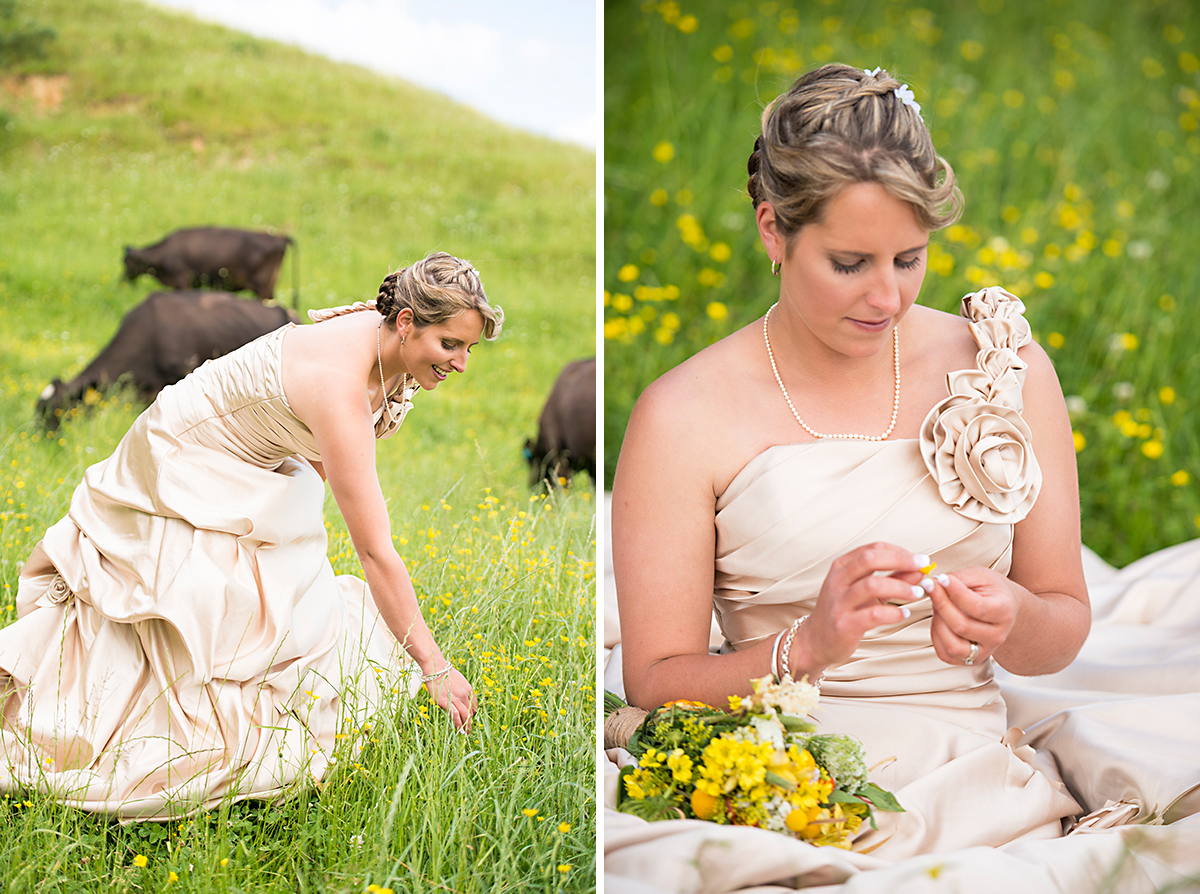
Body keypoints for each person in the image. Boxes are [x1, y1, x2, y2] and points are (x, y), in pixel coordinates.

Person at [608, 63, 1199, 880]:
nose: (887, 297)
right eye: (850, 263)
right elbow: (656, 681)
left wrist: (1013, 619)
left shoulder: (1004, 368)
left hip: (974, 775)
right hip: (782, 776)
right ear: (773, 230)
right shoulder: (681, 415)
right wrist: (809, 645)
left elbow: (1061, 624)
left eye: (910, 258)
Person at [0, 251, 503, 820]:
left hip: (246, 466)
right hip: (182, 460)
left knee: (285, 581)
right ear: (406, 321)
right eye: (450, 344)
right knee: (195, 614)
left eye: (469, 348)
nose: (462, 363)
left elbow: (316, 453)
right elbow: (373, 550)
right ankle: (113, 715)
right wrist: (434, 665)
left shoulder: (383, 337)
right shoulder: (339, 384)